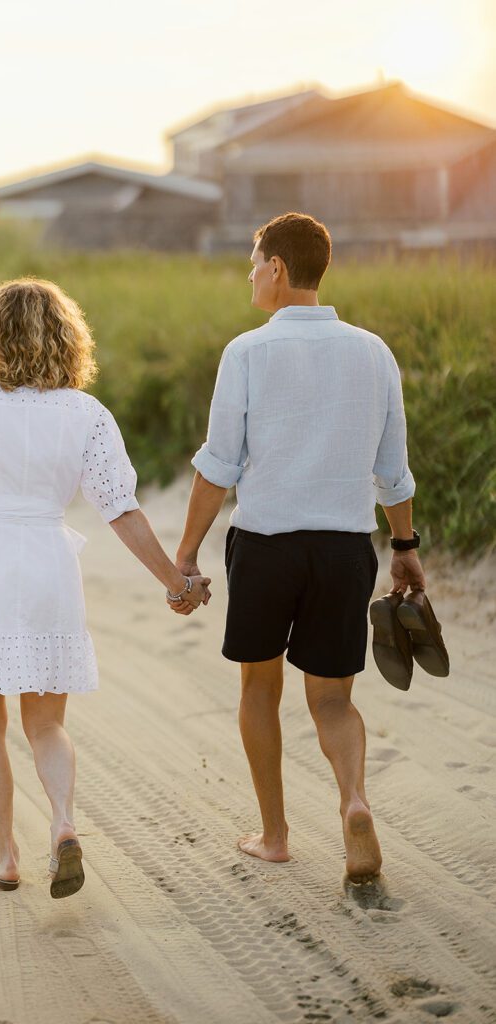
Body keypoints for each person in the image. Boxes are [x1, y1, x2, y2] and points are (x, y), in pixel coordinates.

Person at [0, 278, 209, 899]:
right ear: (65, 335)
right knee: (46, 724)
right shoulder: (86, 414)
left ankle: (6, 856)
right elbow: (122, 510)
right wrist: (176, 580)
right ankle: (63, 822)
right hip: (50, 563)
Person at [173, 212, 426, 884]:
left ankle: (275, 835)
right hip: (344, 549)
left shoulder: (247, 352)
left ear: (278, 268)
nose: (250, 275)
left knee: (259, 687)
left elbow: (218, 465)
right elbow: (391, 469)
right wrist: (403, 545)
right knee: (334, 700)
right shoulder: (373, 352)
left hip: (264, 547)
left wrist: (187, 552)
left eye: (254, 263)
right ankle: (353, 801)